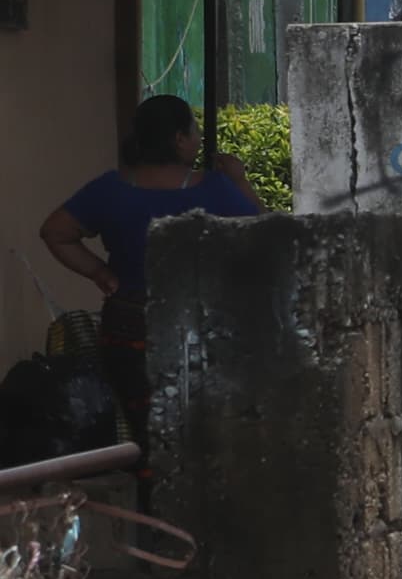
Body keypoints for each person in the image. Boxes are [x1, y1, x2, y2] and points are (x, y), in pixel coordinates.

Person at [42, 95, 262, 434]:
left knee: (142, 431)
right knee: (200, 435)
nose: (199, 138)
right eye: (194, 130)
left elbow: (55, 232)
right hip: (197, 331)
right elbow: (263, 233)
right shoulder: (215, 189)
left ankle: (144, 483)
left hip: (128, 329)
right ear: (178, 139)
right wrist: (240, 180)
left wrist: (100, 272)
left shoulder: (110, 189)